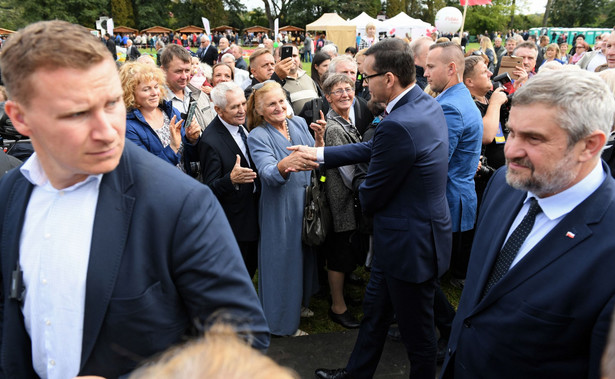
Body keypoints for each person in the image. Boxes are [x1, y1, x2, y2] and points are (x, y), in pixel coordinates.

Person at [0, 20, 269, 378]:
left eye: (111, 103)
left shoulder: (180, 202)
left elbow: (244, 336)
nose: (107, 130)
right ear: (20, 118)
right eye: (77, 113)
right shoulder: (10, 196)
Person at [440, 69, 615, 379]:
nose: (511, 151)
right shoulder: (504, 184)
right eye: (512, 132)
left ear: (590, 145)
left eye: (534, 138)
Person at [302, 38, 451, 379]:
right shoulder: (420, 104)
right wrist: (318, 155)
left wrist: (356, 188)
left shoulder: (400, 122)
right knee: (375, 315)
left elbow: (371, 195)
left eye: (365, 77)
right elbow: (374, 147)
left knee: (419, 336)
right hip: (403, 238)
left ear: (388, 79)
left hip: (409, 245)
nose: (360, 84)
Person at [246, 81, 324, 337]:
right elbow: (267, 172)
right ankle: (280, 323)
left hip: (305, 202)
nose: (279, 107)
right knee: (282, 261)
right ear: (259, 110)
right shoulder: (258, 135)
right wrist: (283, 165)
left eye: (281, 101)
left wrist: (320, 140)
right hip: (280, 207)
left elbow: (314, 157)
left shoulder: (299, 123)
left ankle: (298, 305)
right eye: (271, 104)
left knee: (303, 256)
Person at [199, 82, 259, 279]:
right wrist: (230, 179)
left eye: (243, 103)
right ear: (218, 110)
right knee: (239, 274)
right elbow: (208, 189)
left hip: (255, 212)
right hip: (236, 223)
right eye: (235, 107)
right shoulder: (210, 141)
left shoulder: (244, 125)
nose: (242, 110)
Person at [320, 74, 364, 329]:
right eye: (338, 91)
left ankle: (341, 297)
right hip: (341, 201)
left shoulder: (345, 120)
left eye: (348, 89)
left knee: (345, 251)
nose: (345, 94)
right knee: (338, 253)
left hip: (348, 199)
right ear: (328, 97)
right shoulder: (334, 128)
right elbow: (348, 174)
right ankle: (338, 306)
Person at [119, 62, 200, 169]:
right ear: (131, 93)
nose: (154, 93)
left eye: (156, 87)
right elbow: (145, 170)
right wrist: (172, 148)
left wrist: (192, 140)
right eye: (146, 89)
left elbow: (190, 158)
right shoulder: (128, 126)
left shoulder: (170, 112)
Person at [161, 44, 213, 132]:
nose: (184, 76)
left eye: (187, 70)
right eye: (178, 71)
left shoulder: (201, 95)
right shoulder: (156, 102)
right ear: (163, 71)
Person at [281, 44, 319, 115]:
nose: (291, 59)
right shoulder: (278, 83)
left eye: (294, 56)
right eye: (288, 56)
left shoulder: (308, 78)